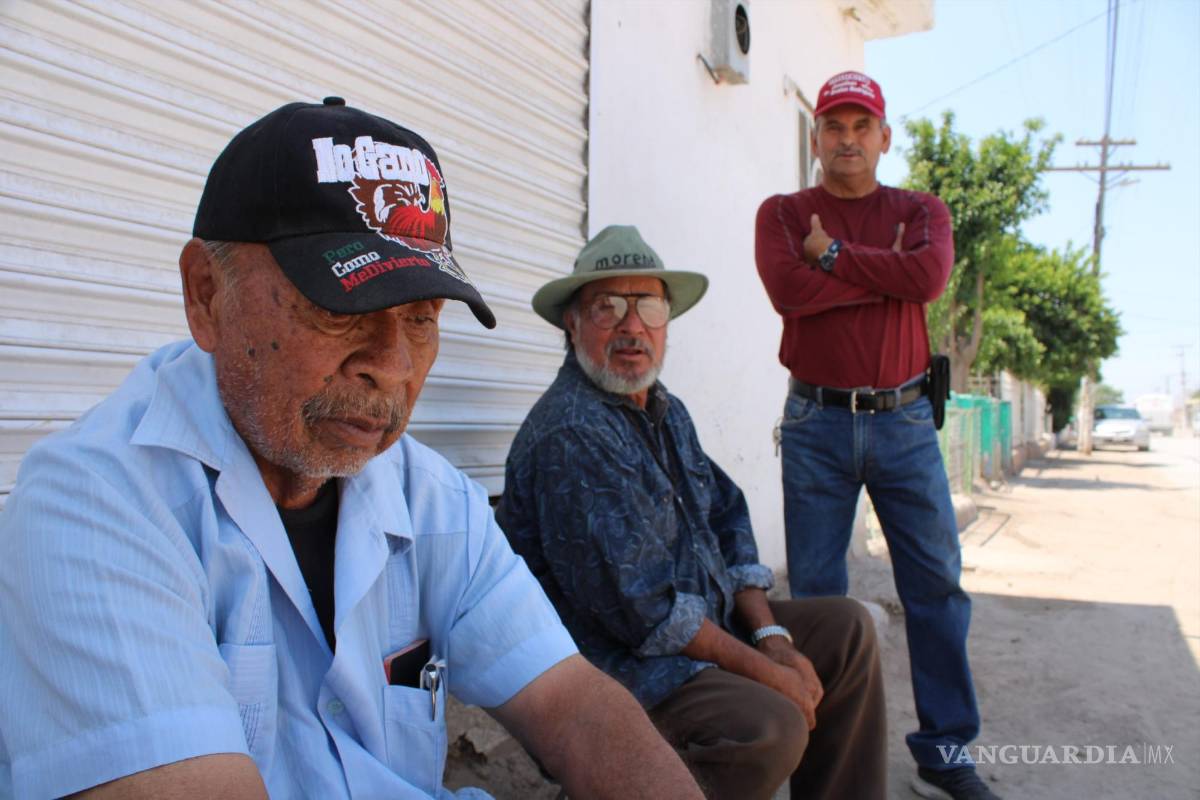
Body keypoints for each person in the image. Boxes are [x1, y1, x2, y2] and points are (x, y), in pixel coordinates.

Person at [0, 99, 704, 800]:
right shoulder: (93, 508)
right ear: (207, 294)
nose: (393, 365)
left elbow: (576, 706)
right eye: (341, 308)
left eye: (422, 317)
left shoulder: (434, 500)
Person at [497, 225, 888, 800]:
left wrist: (772, 635)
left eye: (649, 305)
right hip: (619, 670)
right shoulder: (572, 432)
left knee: (846, 630)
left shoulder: (665, 409)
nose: (632, 325)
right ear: (572, 324)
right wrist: (767, 671)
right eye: (606, 306)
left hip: (701, 632)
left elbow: (726, 519)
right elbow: (645, 613)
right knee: (766, 727)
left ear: (667, 323)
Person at [754, 72, 1000, 800]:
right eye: (835, 126)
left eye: (863, 127)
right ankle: (827, 753)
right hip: (815, 425)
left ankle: (945, 752)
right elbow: (786, 292)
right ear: (816, 138)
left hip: (905, 423)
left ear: (885, 138)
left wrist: (830, 257)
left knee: (936, 588)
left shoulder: (922, 209)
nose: (848, 139)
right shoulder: (783, 212)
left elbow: (927, 278)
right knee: (820, 599)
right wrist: (884, 272)